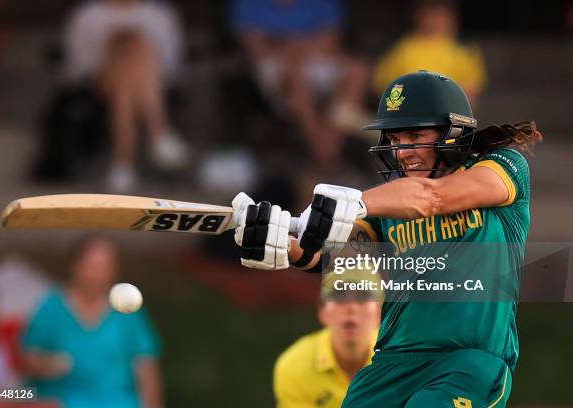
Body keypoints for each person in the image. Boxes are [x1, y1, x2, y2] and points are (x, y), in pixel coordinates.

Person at [231, 70, 542, 406]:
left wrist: (353, 204)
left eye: (414, 135)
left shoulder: (504, 168)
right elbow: (343, 261)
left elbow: (432, 197)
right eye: (395, 140)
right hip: (391, 364)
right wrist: (287, 243)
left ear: (453, 132)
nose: (403, 151)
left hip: (466, 363)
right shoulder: (386, 205)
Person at [22, 236, 163, 408]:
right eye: (94, 267)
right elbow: (27, 360)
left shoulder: (127, 309)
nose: (100, 274)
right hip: (61, 399)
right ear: (76, 267)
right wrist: (47, 365)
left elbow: (146, 368)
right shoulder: (52, 307)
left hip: (116, 401)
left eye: (106, 267)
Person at [64, 0, 188, 191]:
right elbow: (79, 65)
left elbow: (170, 65)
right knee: (125, 47)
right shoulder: (88, 14)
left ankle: (122, 164)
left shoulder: (159, 14)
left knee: (130, 69)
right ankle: (159, 133)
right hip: (100, 81)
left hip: (148, 80)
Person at [230, 0, 371, 166]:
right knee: (296, 77)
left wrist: (294, 48)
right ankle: (326, 155)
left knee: (358, 72)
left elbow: (331, 38)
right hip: (273, 62)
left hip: (316, 59)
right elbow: (254, 45)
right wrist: (294, 50)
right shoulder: (248, 4)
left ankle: (327, 146)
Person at [274, 269, 381, 408]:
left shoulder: (406, 361)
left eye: (362, 297)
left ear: (381, 312)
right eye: (339, 297)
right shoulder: (293, 366)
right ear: (322, 311)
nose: (351, 307)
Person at [374, 0, 486, 107]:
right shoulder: (402, 49)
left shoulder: (464, 49)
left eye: (439, 14)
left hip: (447, 114)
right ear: (416, 16)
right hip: (407, 114)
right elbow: (382, 86)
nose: (434, 19)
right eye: (429, 13)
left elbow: (470, 92)